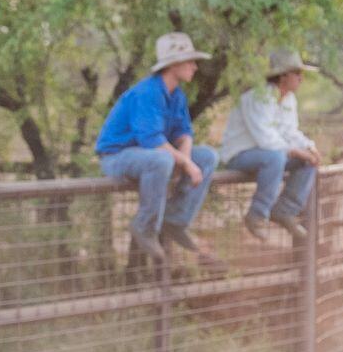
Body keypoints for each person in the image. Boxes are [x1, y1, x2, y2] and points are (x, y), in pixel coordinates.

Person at [95, 32, 221, 267]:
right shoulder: (147, 93)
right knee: (161, 160)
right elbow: (152, 140)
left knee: (207, 156)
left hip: (151, 155)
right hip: (118, 156)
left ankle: (175, 219)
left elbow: (184, 133)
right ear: (173, 64)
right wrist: (186, 164)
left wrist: (186, 159)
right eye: (189, 61)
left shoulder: (177, 96)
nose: (195, 66)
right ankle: (144, 225)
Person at [220, 49, 321, 241]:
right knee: (276, 156)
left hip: (270, 155)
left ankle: (285, 210)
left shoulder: (289, 100)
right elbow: (266, 138)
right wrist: (297, 152)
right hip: (240, 155)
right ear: (283, 75)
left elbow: (290, 132)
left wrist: (309, 147)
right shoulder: (257, 97)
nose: (301, 78)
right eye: (297, 74)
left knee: (308, 163)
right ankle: (257, 215)